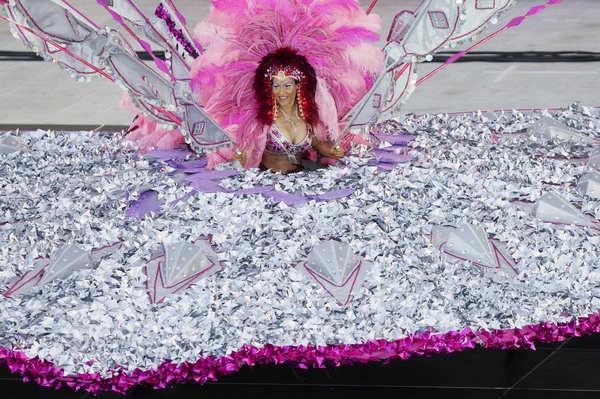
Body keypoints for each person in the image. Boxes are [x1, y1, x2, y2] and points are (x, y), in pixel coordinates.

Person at [232, 48, 345, 173]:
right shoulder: (262, 120)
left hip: (299, 178)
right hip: (267, 182)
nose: (281, 92)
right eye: (276, 86)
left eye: (287, 85)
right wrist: (241, 158)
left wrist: (331, 151)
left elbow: (316, 143)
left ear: (298, 86)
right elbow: (249, 150)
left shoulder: (307, 117)